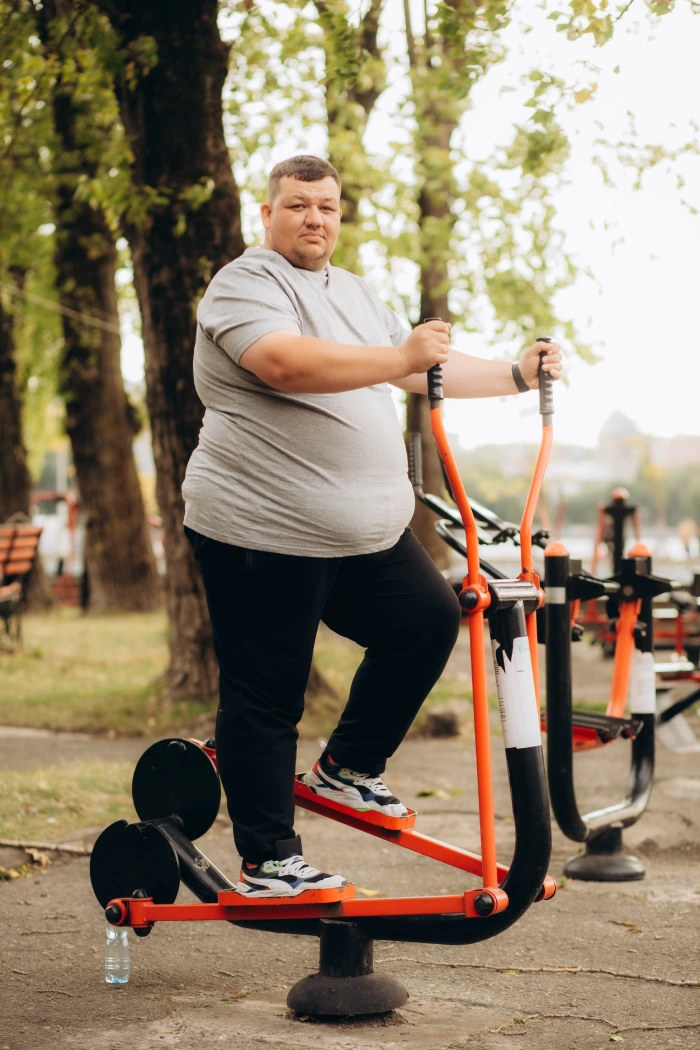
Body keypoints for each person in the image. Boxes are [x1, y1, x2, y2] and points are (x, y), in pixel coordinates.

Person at [182, 155, 562, 898]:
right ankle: (267, 861)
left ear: (340, 215)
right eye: (297, 205)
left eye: (326, 206)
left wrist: (517, 375)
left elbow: (420, 371)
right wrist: (398, 354)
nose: (313, 218)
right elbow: (283, 364)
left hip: (361, 536)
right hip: (262, 529)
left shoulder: (353, 293)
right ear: (268, 214)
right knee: (268, 691)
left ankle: (346, 770)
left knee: (425, 622)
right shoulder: (246, 283)